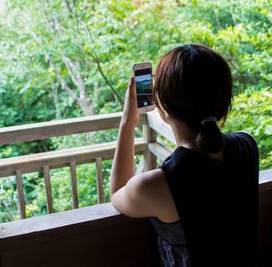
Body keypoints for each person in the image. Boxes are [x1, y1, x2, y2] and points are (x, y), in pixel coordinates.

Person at [110, 44, 259, 266]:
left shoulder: (159, 184)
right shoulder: (247, 145)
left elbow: (118, 193)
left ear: (164, 108)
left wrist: (127, 123)